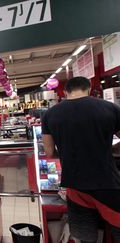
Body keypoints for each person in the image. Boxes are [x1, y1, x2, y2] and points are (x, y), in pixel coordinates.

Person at [42, 76, 120, 243]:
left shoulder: (50, 114)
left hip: (75, 185)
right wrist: (111, 149)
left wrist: (65, 153)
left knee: (84, 237)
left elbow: (49, 152)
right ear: (89, 89)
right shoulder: (110, 108)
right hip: (108, 183)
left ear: (64, 92)